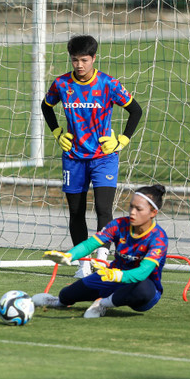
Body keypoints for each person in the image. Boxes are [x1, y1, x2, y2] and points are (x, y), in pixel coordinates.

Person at [41, 35, 142, 278]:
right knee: (75, 211)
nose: (79, 65)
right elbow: (46, 106)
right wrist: (57, 132)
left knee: (103, 209)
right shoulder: (61, 84)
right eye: (75, 60)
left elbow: (135, 110)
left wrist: (122, 141)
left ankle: (101, 261)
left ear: (94, 58)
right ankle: (82, 264)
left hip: (103, 158)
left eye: (84, 60)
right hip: (73, 158)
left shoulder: (108, 84)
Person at [33, 185, 168, 318]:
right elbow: (89, 245)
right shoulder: (119, 225)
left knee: (143, 290)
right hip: (111, 276)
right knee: (68, 294)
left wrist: (116, 275)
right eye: (131, 206)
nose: (132, 212)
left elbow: (142, 272)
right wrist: (69, 256)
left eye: (138, 209)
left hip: (143, 288)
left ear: (153, 213)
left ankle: (103, 303)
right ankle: (56, 301)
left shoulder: (158, 238)